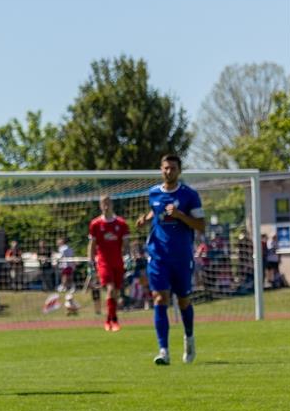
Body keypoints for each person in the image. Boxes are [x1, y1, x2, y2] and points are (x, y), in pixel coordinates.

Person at [136, 153, 205, 365]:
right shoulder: (153, 193)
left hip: (182, 257)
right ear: (161, 169)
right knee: (159, 299)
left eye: (172, 168)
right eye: (165, 168)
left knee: (184, 301)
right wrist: (145, 219)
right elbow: (155, 211)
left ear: (179, 171)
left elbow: (201, 226)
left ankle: (189, 338)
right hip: (158, 256)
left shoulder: (189, 195)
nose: (168, 171)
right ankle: (163, 350)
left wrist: (180, 215)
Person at [88, 194, 130, 332]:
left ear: (112, 204)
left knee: (116, 293)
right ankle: (114, 321)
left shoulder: (121, 223)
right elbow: (92, 244)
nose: (106, 205)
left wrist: (128, 257)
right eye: (103, 203)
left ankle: (108, 319)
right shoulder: (95, 224)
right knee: (110, 289)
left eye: (108, 202)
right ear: (100, 205)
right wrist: (90, 260)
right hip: (103, 262)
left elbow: (126, 244)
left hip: (118, 262)